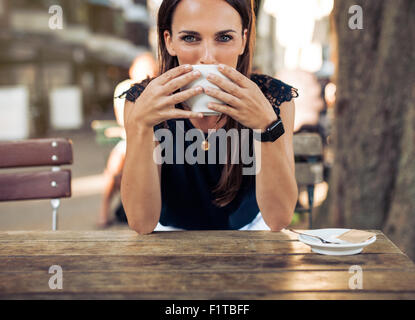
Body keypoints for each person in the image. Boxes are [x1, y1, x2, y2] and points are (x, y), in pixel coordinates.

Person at [119, 0, 299, 234]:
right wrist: (141, 125)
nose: (208, 57)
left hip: (251, 233)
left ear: (243, 41)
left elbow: (279, 219)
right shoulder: (144, 101)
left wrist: (267, 125)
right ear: (169, 41)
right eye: (190, 38)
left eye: (224, 38)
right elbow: (141, 223)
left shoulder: (273, 99)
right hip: (168, 236)